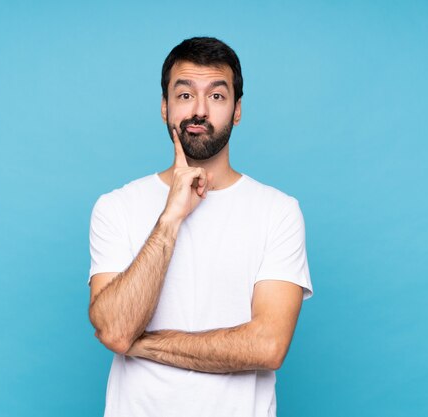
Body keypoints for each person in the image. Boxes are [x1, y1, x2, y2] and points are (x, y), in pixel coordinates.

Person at [87, 36, 313, 417]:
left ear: (238, 110)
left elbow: (268, 346)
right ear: (164, 107)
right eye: (185, 95)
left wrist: (143, 346)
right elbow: (116, 330)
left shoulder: (278, 211)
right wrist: (171, 217)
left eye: (218, 96)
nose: (200, 111)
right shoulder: (116, 207)